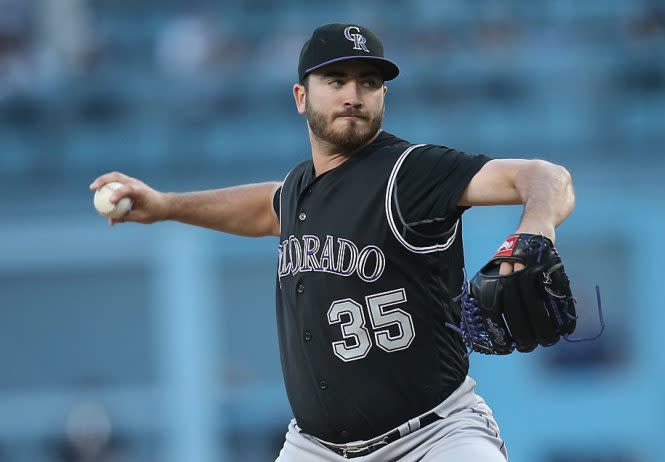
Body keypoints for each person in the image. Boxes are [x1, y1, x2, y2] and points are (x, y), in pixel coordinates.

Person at [89, 23, 575, 461]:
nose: (353, 95)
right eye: (336, 80)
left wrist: (535, 230)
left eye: (368, 82)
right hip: (315, 449)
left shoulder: (410, 172)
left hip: (434, 439)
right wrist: (166, 204)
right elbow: (264, 207)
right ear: (301, 96)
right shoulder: (301, 187)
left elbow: (543, 176)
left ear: (384, 96)